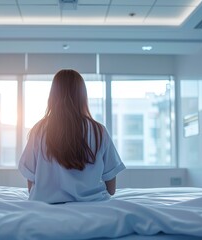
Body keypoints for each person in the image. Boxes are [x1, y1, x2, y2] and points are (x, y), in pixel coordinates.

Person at [18, 69, 125, 204]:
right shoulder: (99, 131)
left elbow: (30, 182)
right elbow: (111, 189)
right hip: (94, 204)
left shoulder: (38, 130)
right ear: (82, 96)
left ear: (52, 96)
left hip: (45, 203)